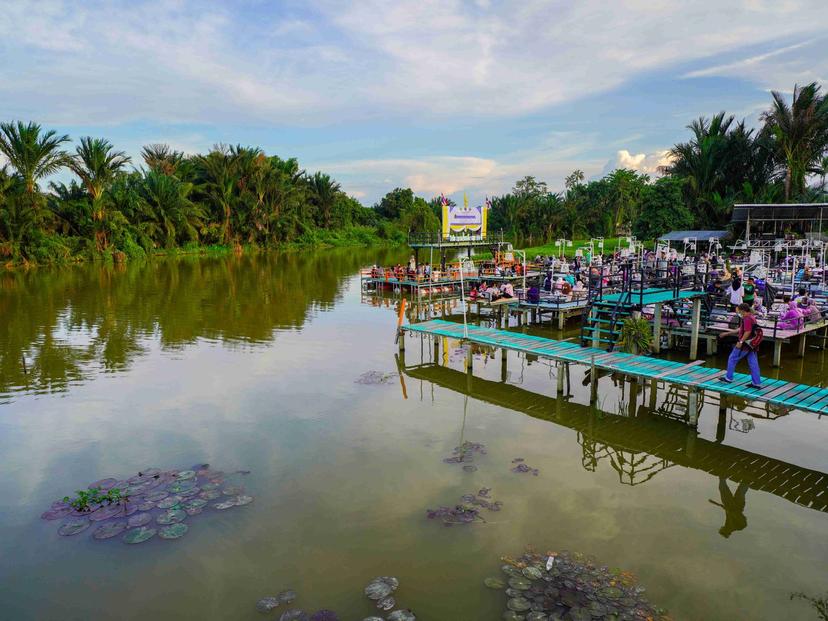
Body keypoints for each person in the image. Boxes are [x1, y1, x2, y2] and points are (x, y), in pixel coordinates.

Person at [719, 302, 763, 388]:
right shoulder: (751, 317)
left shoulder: (747, 318)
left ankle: (729, 378)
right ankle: (756, 383)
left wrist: (741, 342)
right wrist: (727, 333)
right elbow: (741, 329)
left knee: (732, 358)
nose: (738, 313)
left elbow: (747, 331)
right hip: (752, 344)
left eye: (739, 311)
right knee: (753, 363)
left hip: (745, 344)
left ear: (743, 311)